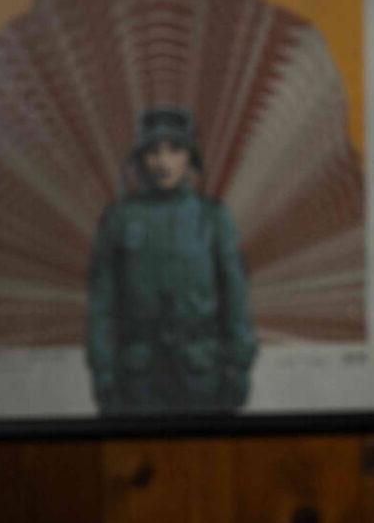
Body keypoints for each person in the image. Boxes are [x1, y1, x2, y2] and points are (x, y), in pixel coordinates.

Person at [86, 105, 258, 414]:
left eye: (175, 149)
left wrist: (239, 366)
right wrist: (103, 372)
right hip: (138, 378)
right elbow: (101, 304)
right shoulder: (120, 219)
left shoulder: (213, 218)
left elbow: (236, 299)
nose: (163, 161)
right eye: (153, 151)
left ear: (190, 157)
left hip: (203, 373)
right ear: (141, 159)